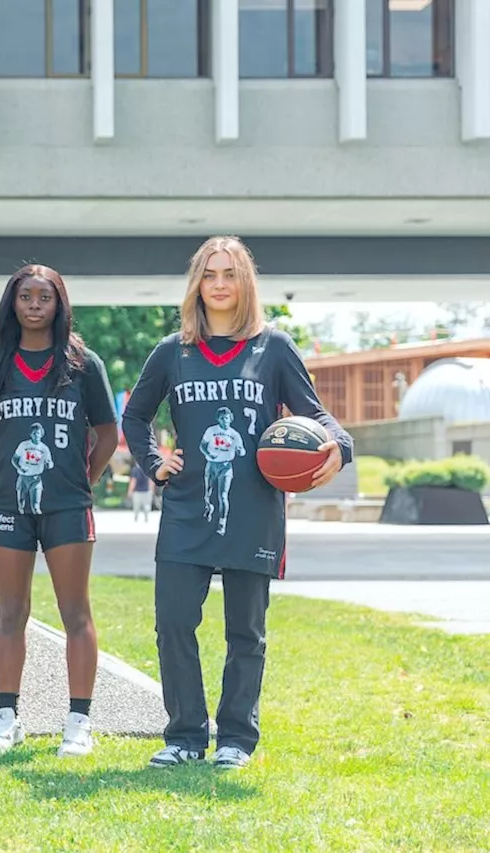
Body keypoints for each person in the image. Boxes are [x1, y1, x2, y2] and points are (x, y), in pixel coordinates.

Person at [121, 235, 352, 771]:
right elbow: (134, 417)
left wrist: (339, 446)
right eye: (209, 274)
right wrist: (155, 462)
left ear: (245, 282)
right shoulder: (172, 352)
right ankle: (183, 735)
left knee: (245, 630)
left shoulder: (273, 347)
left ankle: (236, 739)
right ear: (196, 284)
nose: (219, 284)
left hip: (254, 507)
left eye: (229, 274)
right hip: (185, 508)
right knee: (174, 622)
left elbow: (316, 415)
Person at [0, 264, 119, 757]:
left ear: (60, 304)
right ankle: (6, 715)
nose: (35, 305)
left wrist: (81, 481)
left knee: (75, 611)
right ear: (11, 303)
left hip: (67, 504)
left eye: (45, 297)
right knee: (10, 612)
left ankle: (78, 721)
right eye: (25, 296)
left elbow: (107, 434)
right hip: (9, 503)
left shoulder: (84, 363)